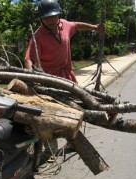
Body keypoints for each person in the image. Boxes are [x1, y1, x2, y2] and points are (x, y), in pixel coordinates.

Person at [24, 0, 105, 161]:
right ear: (41, 19)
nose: (51, 21)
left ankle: (72, 141)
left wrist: (95, 27)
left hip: (68, 78)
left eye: (54, 16)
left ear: (58, 14)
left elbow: (77, 25)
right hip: (50, 83)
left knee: (75, 110)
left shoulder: (65, 25)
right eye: (47, 18)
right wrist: (30, 74)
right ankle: (50, 150)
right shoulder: (38, 36)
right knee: (49, 115)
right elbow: (28, 58)